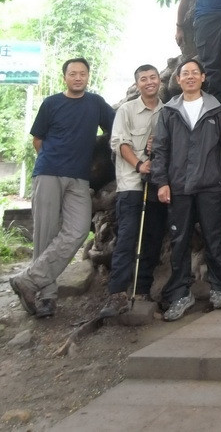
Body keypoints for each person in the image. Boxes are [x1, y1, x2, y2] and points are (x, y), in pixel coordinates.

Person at [10, 58, 115, 319]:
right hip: (48, 173)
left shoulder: (96, 104)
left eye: (82, 73)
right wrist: (51, 162)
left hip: (80, 178)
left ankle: (28, 280)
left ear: (88, 77)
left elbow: (116, 127)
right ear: (65, 77)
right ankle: (46, 297)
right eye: (72, 73)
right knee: (45, 235)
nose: (78, 77)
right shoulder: (51, 103)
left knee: (78, 230)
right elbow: (38, 139)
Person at [151, 58, 221, 321]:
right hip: (178, 186)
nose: (189, 77)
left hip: (211, 185)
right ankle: (179, 294)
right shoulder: (169, 111)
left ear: (203, 77)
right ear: (177, 80)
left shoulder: (216, 109)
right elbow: (161, 149)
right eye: (184, 73)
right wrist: (162, 182)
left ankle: (220, 288)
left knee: (214, 239)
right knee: (179, 241)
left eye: (194, 73)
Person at [99, 64, 167, 318]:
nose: (149, 82)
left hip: (157, 184)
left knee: (152, 237)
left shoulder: (167, 110)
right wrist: (140, 164)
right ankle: (117, 292)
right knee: (128, 237)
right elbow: (120, 143)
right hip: (131, 184)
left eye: (153, 77)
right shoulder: (126, 111)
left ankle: (143, 289)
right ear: (137, 84)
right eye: (143, 79)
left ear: (159, 80)